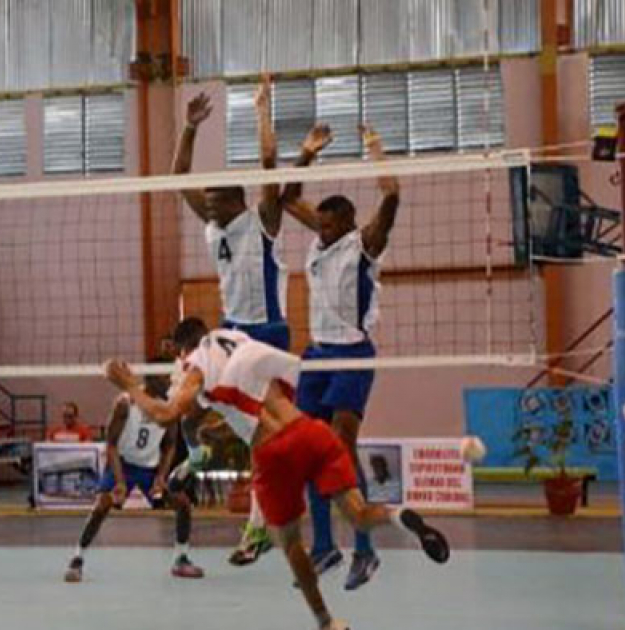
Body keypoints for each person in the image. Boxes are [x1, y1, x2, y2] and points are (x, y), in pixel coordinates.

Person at [104, 319, 449, 630]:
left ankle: (327, 622)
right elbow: (249, 398)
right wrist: (220, 431)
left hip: (273, 455)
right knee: (359, 514)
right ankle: (401, 516)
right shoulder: (236, 338)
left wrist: (129, 385)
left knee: (292, 544)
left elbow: (166, 414)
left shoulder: (196, 365)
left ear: (183, 350)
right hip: (308, 430)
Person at [174, 77, 332, 564]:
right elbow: (178, 177)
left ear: (233, 201)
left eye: (214, 200)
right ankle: (206, 452)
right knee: (205, 403)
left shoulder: (260, 220)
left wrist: (264, 108)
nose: (207, 206)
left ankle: (262, 523)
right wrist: (189, 128)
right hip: (229, 332)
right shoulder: (214, 226)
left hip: (265, 333)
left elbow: (268, 168)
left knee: (266, 436)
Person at [278, 123, 400, 589]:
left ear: (348, 224)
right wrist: (306, 152)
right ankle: (326, 546)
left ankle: (365, 551)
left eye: (330, 226)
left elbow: (390, 200)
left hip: (352, 353)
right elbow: (290, 199)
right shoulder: (320, 237)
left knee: (341, 444)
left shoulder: (363, 244)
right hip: (316, 354)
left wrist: (376, 149)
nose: (323, 232)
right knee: (308, 449)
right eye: (320, 226)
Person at [63, 373, 203, 583]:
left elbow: (170, 445)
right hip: (123, 464)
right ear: (150, 381)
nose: (169, 383)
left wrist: (161, 476)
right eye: (165, 379)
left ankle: (181, 558)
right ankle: (77, 559)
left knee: (182, 502)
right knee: (102, 505)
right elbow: (111, 444)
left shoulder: (170, 407)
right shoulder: (125, 404)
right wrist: (119, 481)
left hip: (149, 468)